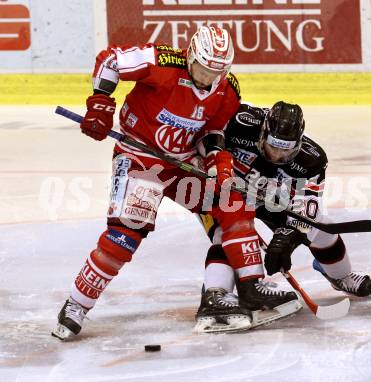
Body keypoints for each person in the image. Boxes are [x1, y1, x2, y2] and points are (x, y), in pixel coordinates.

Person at [52, 27, 299, 340]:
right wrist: (100, 103)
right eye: (203, 69)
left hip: (183, 163)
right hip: (141, 158)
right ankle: (77, 304)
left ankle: (251, 287)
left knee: (234, 200)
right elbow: (110, 60)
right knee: (126, 233)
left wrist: (218, 164)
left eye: (216, 72)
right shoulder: (162, 62)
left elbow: (212, 132)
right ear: (191, 56)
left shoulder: (228, 90)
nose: (208, 78)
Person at [194, 101, 371, 333]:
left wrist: (288, 237)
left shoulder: (313, 159)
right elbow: (203, 133)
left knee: (321, 227)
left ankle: (342, 276)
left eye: (287, 150)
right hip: (221, 191)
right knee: (228, 235)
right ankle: (217, 294)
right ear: (263, 133)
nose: (279, 155)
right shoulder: (239, 122)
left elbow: (307, 207)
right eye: (274, 148)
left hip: (271, 198)